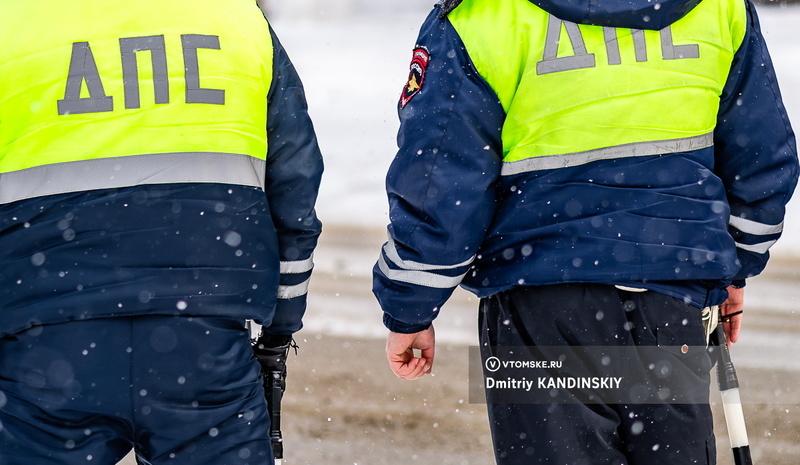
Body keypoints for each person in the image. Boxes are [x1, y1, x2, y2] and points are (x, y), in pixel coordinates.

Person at [373, 0, 797, 463]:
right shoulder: (720, 8)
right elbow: (761, 158)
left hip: (539, 303)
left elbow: (440, 178)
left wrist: (410, 306)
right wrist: (733, 266)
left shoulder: (485, 16)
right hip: (670, 296)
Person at [0, 0, 322, 463]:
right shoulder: (236, 20)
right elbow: (293, 186)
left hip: (41, 338)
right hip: (203, 340)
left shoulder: (12, 22)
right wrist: (280, 327)